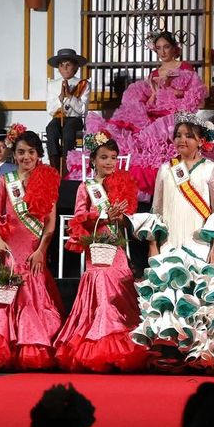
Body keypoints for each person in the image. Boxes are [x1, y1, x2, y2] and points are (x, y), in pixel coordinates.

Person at [130, 114, 214, 367]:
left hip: (200, 243)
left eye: (188, 136)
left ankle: (201, 352)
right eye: (178, 135)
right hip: (170, 242)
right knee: (171, 298)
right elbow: (156, 211)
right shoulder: (165, 169)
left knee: (199, 298)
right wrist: (152, 243)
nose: (181, 140)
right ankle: (174, 351)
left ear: (201, 141)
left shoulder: (211, 170)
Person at [53, 135, 149, 372]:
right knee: (102, 292)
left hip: (116, 249)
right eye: (104, 157)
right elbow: (77, 220)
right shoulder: (86, 188)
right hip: (96, 251)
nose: (109, 162)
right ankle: (99, 348)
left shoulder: (122, 184)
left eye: (113, 158)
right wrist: (102, 217)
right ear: (93, 160)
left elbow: (130, 222)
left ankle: (121, 349)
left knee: (119, 291)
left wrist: (122, 219)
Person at [0, 130, 65, 370]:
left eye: (31, 152)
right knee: (7, 291)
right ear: (13, 154)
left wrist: (41, 251)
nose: (26, 157)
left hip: (34, 248)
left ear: (38, 154)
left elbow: (50, 223)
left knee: (33, 291)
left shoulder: (48, 178)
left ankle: (31, 345)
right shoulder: (6, 181)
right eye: (21, 152)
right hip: (10, 247)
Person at [87, 30, 208, 197]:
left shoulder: (184, 68)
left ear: (174, 48)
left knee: (165, 137)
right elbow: (152, 101)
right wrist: (153, 93)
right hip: (155, 113)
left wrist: (170, 89)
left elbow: (194, 96)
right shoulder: (154, 73)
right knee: (130, 129)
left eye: (166, 47)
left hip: (175, 114)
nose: (163, 52)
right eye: (159, 48)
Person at [46, 48, 89, 176]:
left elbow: (82, 110)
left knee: (68, 131)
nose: (64, 68)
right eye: (61, 65)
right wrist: (60, 99)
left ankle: (66, 166)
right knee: (51, 129)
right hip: (58, 118)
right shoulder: (52, 85)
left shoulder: (83, 84)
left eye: (68, 65)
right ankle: (54, 166)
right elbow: (50, 109)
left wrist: (70, 97)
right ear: (58, 68)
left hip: (74, 120)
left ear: (76, 67)